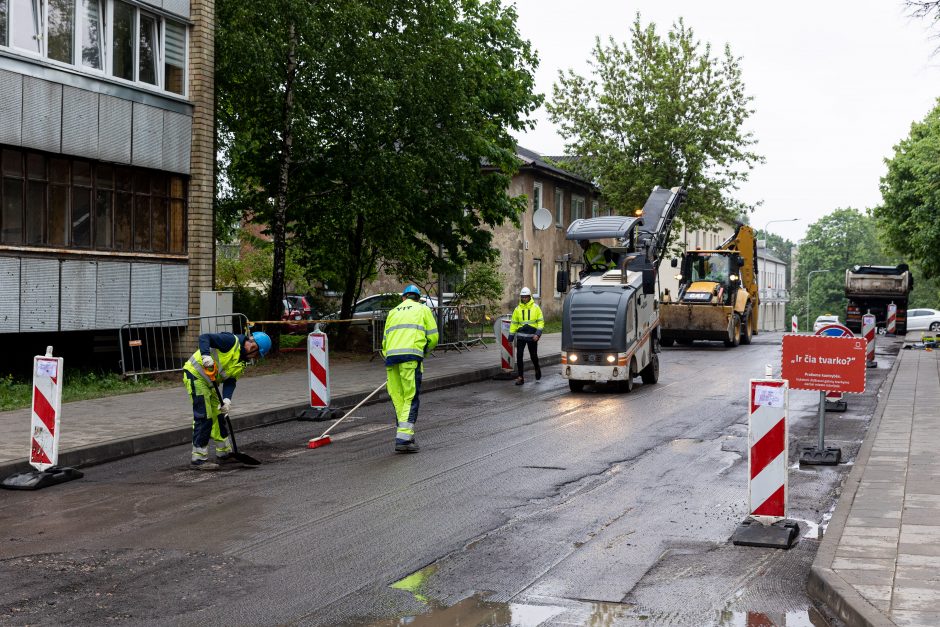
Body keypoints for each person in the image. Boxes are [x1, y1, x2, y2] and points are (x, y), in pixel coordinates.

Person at [182, 330, 271, 469]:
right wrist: (205, 356)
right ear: (253, 346)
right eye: (256, 354)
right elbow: (205, 337)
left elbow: (230, 381)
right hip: (195, 375)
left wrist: (227, 400)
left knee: (219, 416)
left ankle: (224, 454)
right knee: (205, 416)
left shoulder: (241, 362)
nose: (255, 358)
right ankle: (198, 459)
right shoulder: (230, 341)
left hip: (210, 383)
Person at [382, 285, 439, 453]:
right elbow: (434, 337)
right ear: (418, 298)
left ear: (403, 298)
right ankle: (404, 439)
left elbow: (384, 342)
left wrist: (389, 356)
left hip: (391, 359)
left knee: (398, 397)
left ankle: (405, 434)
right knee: (410, 397)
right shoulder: (422, 309)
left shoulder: (393, 312)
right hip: (410, 359)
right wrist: (424, 353)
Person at [509, 287, 544, 385]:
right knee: (519, 356)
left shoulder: (536, 308)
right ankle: (520, 377)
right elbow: (514, 324)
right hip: (520, 337)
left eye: (526, 297)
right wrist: (510, 337)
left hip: (532, 337)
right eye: (522, 297)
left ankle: (537, 368)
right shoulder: (517, 309)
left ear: (529, 297)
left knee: (533, 356)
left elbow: (541, 322)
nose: (524, 299)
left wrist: (538, 334)